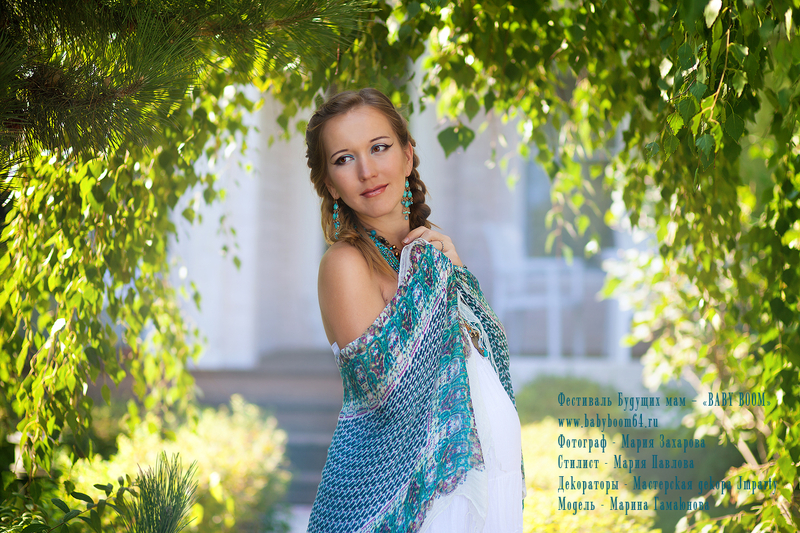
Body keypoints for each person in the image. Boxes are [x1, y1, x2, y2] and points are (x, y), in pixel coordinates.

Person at [304, 88, 524, 533]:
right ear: (330, 184)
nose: (367, 170)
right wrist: (438, 275)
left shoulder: (430, 258)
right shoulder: (345, 264)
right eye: (344, 159)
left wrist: (456, 273)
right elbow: (390, 389)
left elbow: (487, 358)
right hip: (406, 505)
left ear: (407, 156)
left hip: (484, 489)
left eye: (379, 148)